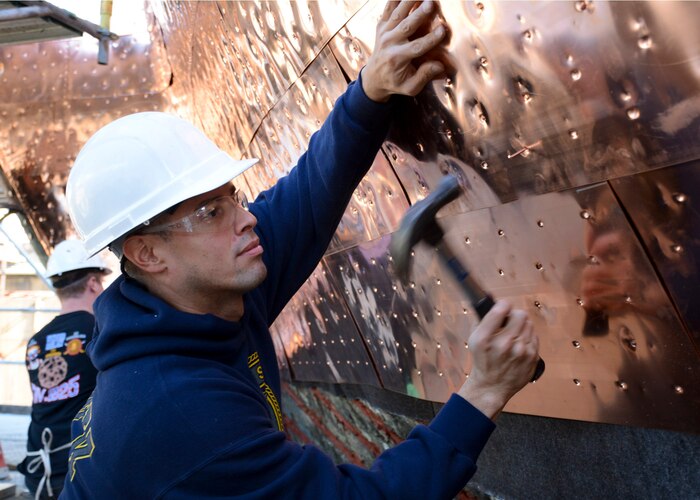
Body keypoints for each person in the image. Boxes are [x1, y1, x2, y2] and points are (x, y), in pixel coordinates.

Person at [60, 2, 540, 498]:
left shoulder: (205, 290)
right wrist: (482, 391)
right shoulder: (183, 416)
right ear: (147, 254)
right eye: (210, 212)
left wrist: (370, 92)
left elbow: (308, 195)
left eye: (232, 198)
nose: (246, 218)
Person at [17, 240, 111, 499]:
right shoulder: (100, 330)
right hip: (82, 469)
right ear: (93, 283)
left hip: (40, 472)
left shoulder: (36, 341)